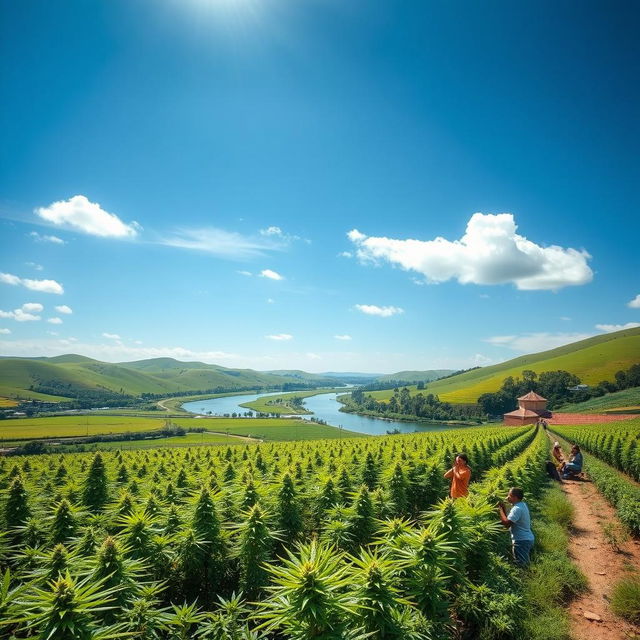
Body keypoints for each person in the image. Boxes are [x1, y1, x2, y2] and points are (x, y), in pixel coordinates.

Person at [498, 487, 535, 566]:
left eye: (509, 495)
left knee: (521, 564)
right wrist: (503, 508)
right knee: (523, 562)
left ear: (515, 497)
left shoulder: (517, 509)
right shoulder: (522, 505)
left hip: (522, 541)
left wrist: (500, 510)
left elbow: (506, 524)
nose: (507, 497)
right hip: (526, 539)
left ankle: (526, 576)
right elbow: (509, 519)